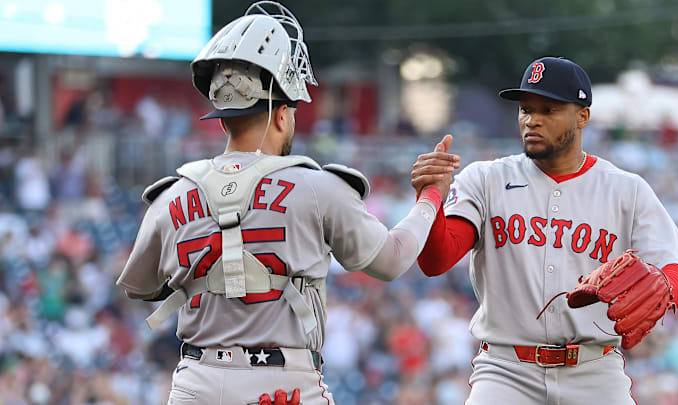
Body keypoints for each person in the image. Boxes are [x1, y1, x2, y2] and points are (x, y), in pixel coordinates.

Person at [115, 2, 457, 404]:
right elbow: (392, 260)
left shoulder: (170, 195)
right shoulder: (318, 186)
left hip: (195, 385)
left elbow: (139, 287)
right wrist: (431, 196)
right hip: (282, 385)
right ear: (281, 114)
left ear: (223, 119)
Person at [411, 56, 678, 404]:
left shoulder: (626, 188)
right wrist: (430, 198)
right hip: (506, 371)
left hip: (594, 370)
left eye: (548, 110)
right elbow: (436, 261)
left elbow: (675, 275)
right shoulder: (486, 178)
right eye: (526, 109)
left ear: (582, 116)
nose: (532, 120)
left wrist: (666, 284)